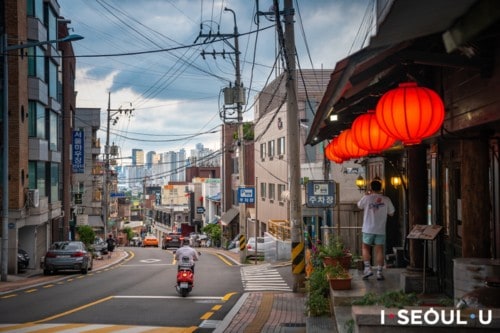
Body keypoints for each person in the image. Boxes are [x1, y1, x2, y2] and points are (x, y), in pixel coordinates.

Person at [357, 179, 395, 281]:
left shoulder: (367, 198)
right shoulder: (386, 199)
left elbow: (359, 205)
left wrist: (366, 195)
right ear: (381, 188)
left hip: (368, 228)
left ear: (371, 188)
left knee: (365, 248)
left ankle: (367, 269)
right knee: (379, 250)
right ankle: (379, 272)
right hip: (380, 228)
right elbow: (392, 213)